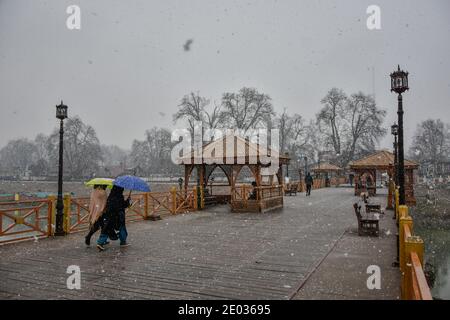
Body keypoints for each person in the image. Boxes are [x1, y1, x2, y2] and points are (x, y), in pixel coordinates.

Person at [97, 185, 131, 251]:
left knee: (107, 228)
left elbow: (110, 205)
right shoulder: (119, 196)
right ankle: (123, 242)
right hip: (118, 216)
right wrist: (127, 201)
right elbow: (122, 206)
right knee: (122, 228)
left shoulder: (111, 196)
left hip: (110, 216)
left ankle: (100, 242)